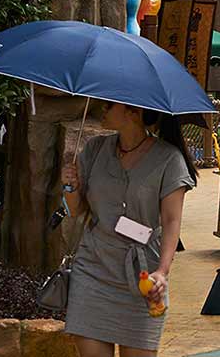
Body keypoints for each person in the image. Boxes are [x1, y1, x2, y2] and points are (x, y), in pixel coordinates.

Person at [60, 104, 196, 356]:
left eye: (111, 104)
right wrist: (70, 187)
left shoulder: (169, 159)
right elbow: (77, 210)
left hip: (143, 275)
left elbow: (171, 221)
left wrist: (163, 272)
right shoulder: (94, 149)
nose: (103, 108)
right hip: (93, 269)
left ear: (133, 111)